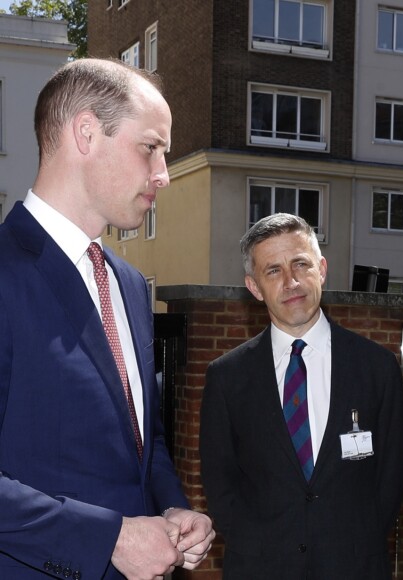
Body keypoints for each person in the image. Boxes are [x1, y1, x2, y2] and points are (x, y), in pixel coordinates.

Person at [0, 58, 215, 579]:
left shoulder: (129, 284)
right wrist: (108, 539)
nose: (163, 174)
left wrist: (171, 508)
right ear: (87, 132)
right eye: (151, 147)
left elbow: (144, 440)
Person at [199, 213, 403, 579]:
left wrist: (359, 539)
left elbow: (392, 471)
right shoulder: (226, 377)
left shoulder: (377, 367)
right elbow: (220, 481)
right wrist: (257, 546)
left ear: (322, 269)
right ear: (253, 286)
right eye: (273, 271)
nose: (291, 281)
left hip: (355, 567)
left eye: (301, 264)